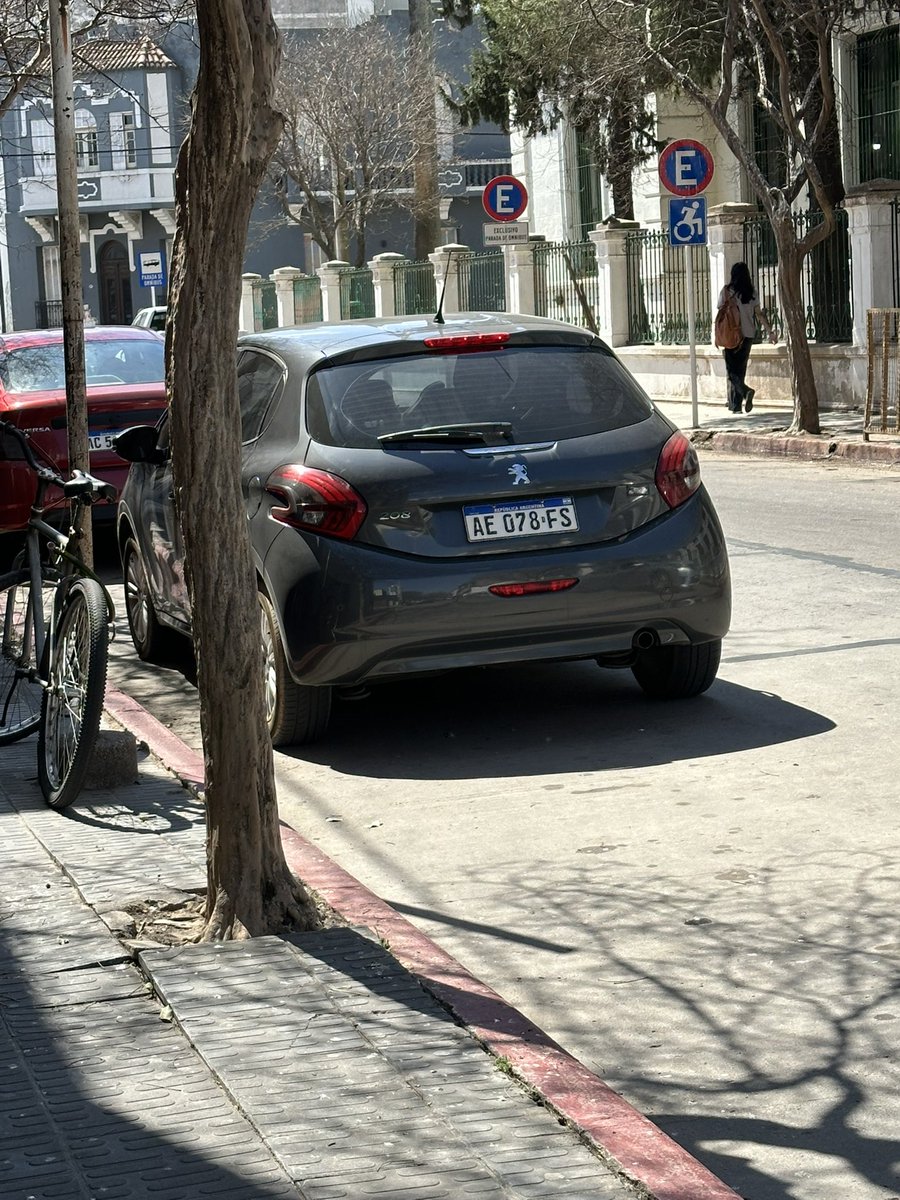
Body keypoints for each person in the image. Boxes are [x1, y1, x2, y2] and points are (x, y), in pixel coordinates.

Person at [718, 261, 776, 413]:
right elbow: (759, 314)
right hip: (748, 335)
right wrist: (770, 331)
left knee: (731, 371)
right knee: (740, 370)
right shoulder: (752, 292)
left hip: (731, 334)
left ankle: (745, 393)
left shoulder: (726, 291)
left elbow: (720, 312)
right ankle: (735, 406)